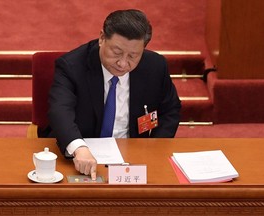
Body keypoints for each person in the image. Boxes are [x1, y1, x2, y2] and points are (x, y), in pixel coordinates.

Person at [46, 9, 181, 180]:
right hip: (83, 154)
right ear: (102, 38)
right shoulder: (72, 66)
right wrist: (79, 147)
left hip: (134, 155)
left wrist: (154, 147)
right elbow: (59, 111)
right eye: (116, 53)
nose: (123, 63)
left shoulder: (155, 66)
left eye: (133, 56)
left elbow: (171, 110)